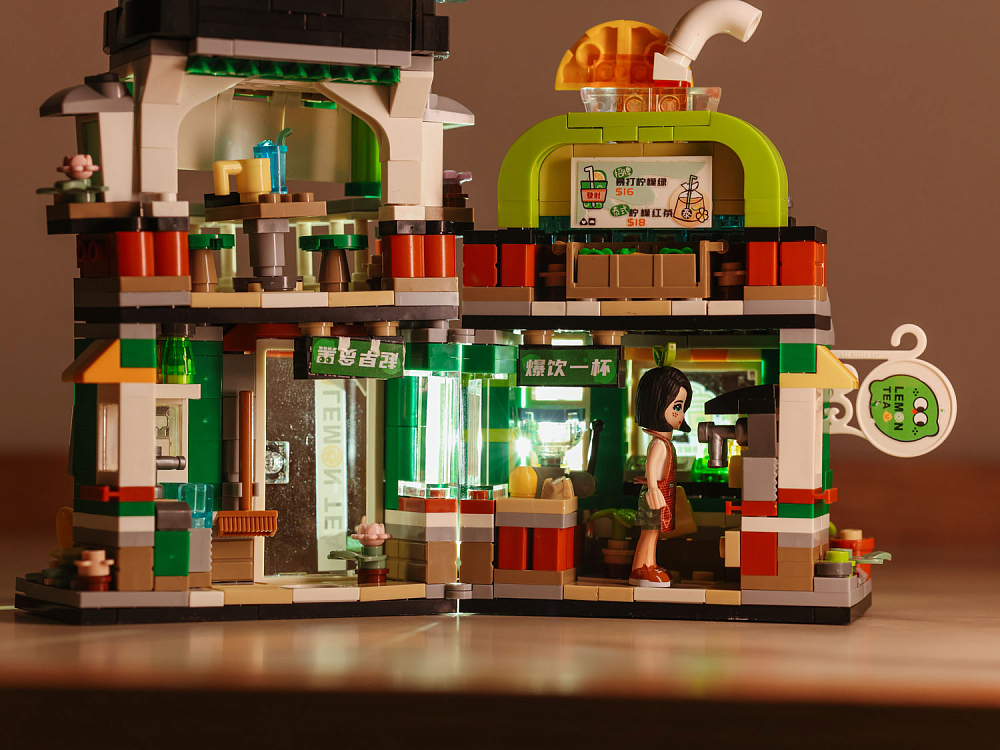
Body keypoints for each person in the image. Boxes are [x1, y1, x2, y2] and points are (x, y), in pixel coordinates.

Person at [629, 366, 692, 587]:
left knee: (654, 532)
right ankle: (640, 568)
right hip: (654, 494)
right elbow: (651, 466)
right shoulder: (658, 444)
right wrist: (653, 489)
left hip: (660, 493)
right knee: (649, 531)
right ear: (656, 405)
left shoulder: (664, 443)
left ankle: (650, 564)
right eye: (676, 407)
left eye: (682, 407)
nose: (680, 415)